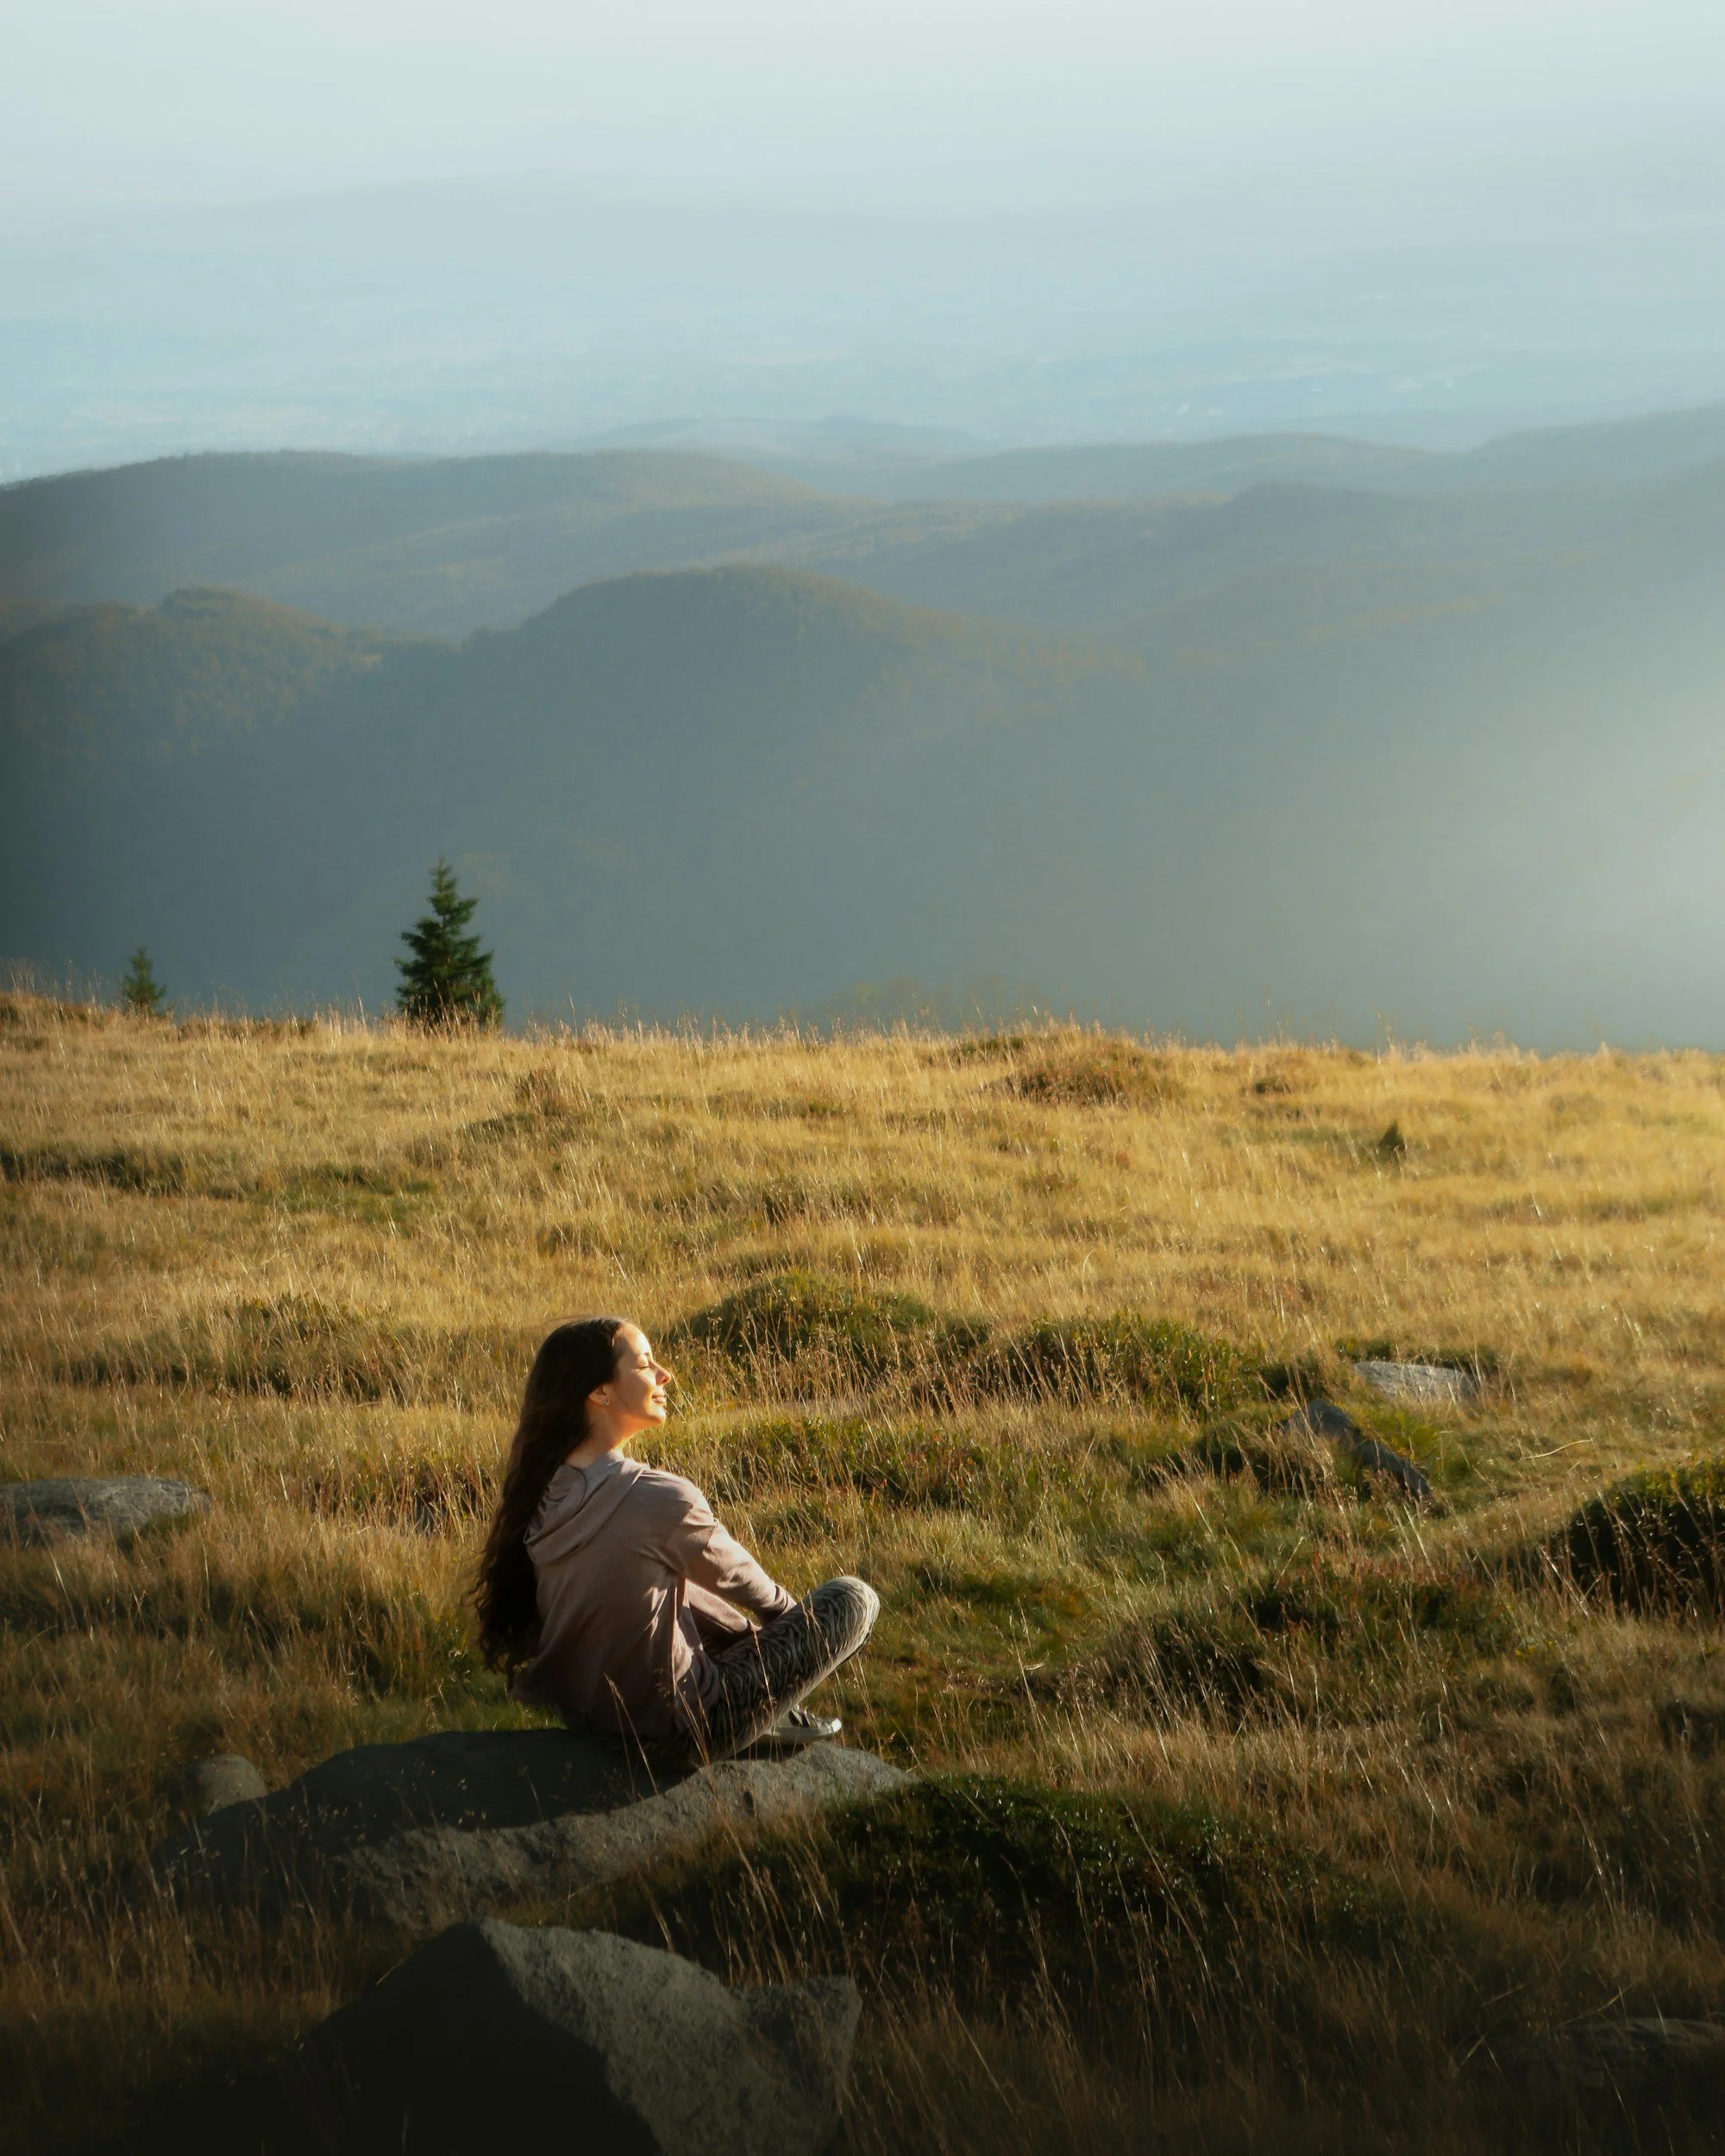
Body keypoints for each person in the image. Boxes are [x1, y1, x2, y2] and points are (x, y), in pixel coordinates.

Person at [473, 1316, 879, 1760]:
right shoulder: (663, 1499)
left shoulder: (538, 1493)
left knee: (672, 1585)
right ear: (600, 1392)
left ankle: (773, 1715)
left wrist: (750, 1644)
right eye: (646, 1364)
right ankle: (767, 1719)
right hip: (682, 1731)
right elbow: (764, 1597)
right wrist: (799, 1647)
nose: (665, 1374)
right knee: (854, 1599)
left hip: (588, 1721)